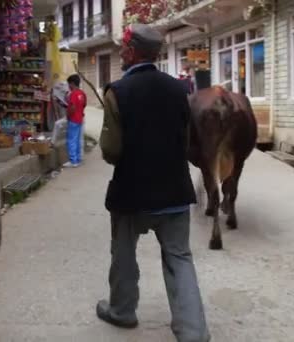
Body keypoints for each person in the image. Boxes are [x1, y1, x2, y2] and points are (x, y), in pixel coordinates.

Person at [97, 23, 210, 342]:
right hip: (174, 190)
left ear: (132, 52)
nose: (121, 52)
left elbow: (111, 151)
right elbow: (185, 140)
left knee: (123, 253)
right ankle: (193, 332)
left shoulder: (117, 91)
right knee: (179, 257)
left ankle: (122, 310)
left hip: (131, 193)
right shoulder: (181, 90)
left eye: (123, 48)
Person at [63, 74, 87, 168]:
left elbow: (72, 107)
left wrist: (68, 116)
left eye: (69, 84)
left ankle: (73, 161)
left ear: (72, 83)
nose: (68, 86)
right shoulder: (82, 93)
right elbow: (84, 104)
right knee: (77, 140)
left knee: (71, 140)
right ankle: (78, 159)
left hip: (73, 119)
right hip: (80, 119)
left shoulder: (73, 94)